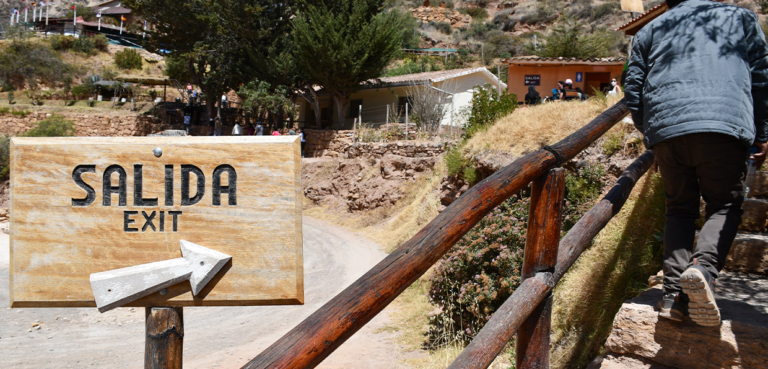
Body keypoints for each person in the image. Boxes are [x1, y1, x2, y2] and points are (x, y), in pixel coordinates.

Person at [625, 0, 768, 327]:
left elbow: (633, 89)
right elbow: (761, 76)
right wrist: (762, 132)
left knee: (679, 208)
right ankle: (702, 269)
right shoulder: (740, 18)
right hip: (724, 124)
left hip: (668, 132)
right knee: (724, 204)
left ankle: (673, 296)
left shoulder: (648, 30)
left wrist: (654, 136)